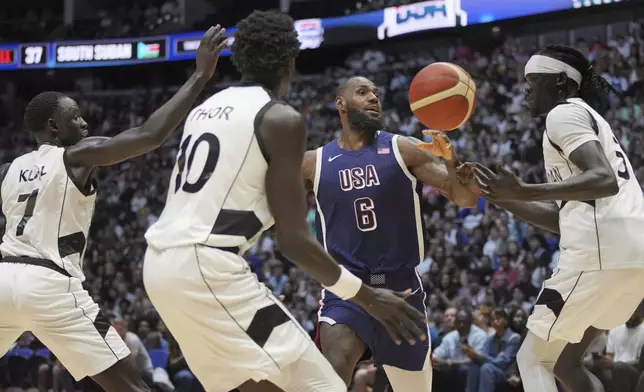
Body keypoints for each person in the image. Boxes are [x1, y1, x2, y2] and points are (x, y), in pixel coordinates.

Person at [142, 10, 426, 392]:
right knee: (322, 386)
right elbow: (292, 241)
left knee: (257, 384)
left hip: (158, 268)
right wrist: (368, 297)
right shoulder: (281, 118)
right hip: (209, 264)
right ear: (290, 61)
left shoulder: (203, 110)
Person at [0, 26, 227, 392]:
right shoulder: (76, 156)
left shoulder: (8, 171)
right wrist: (200, 75)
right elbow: (148, 136)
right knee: (129, 385)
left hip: (3, 278)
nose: (84, 122)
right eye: (75, 117)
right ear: (54, 126)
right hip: (48, 281)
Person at [469, 44, 644, 392]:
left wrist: (523, 190)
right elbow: (565, 219)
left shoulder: (561, 115)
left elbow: (603, 180)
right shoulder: (589, 120)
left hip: (599, 257)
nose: (526, 89)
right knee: (564, 362)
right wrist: (498, 195)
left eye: (533, 81)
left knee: (533, 359)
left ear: (561, 83)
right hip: (632, 261)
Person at [302, 74, 478, 391]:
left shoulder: (402, 148)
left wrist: (452, 163)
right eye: (362, 92)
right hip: (348, 289)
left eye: (376, 93)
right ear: (340, 103)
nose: (373, 98)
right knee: (334, 369)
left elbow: (465, 199)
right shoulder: (315, 162)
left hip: (401, 289)